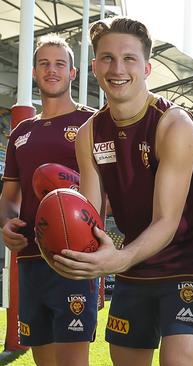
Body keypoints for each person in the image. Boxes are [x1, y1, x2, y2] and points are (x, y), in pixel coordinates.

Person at [51, 17, 193, 366]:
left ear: (147, 67)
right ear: (94, 66)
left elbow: (167, 221)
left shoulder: (174, 124)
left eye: (129, 59)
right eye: (107, 58)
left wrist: (118, 259)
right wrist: (65, 248)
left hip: (185, 265)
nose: (118, 68)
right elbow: (90, 215)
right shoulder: (89, 134)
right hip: (133, 268)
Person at [0, 34, 97, 366]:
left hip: (74, 257)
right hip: (28, 257)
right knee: (44, 360)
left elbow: (108, 193)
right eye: (44, 64)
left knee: (72, 360)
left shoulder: (92, 122)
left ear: (72, 73)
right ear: (34, 72)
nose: (51, 70)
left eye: (59, 64)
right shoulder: (20, 132)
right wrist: (6, 223)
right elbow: (10, 196)